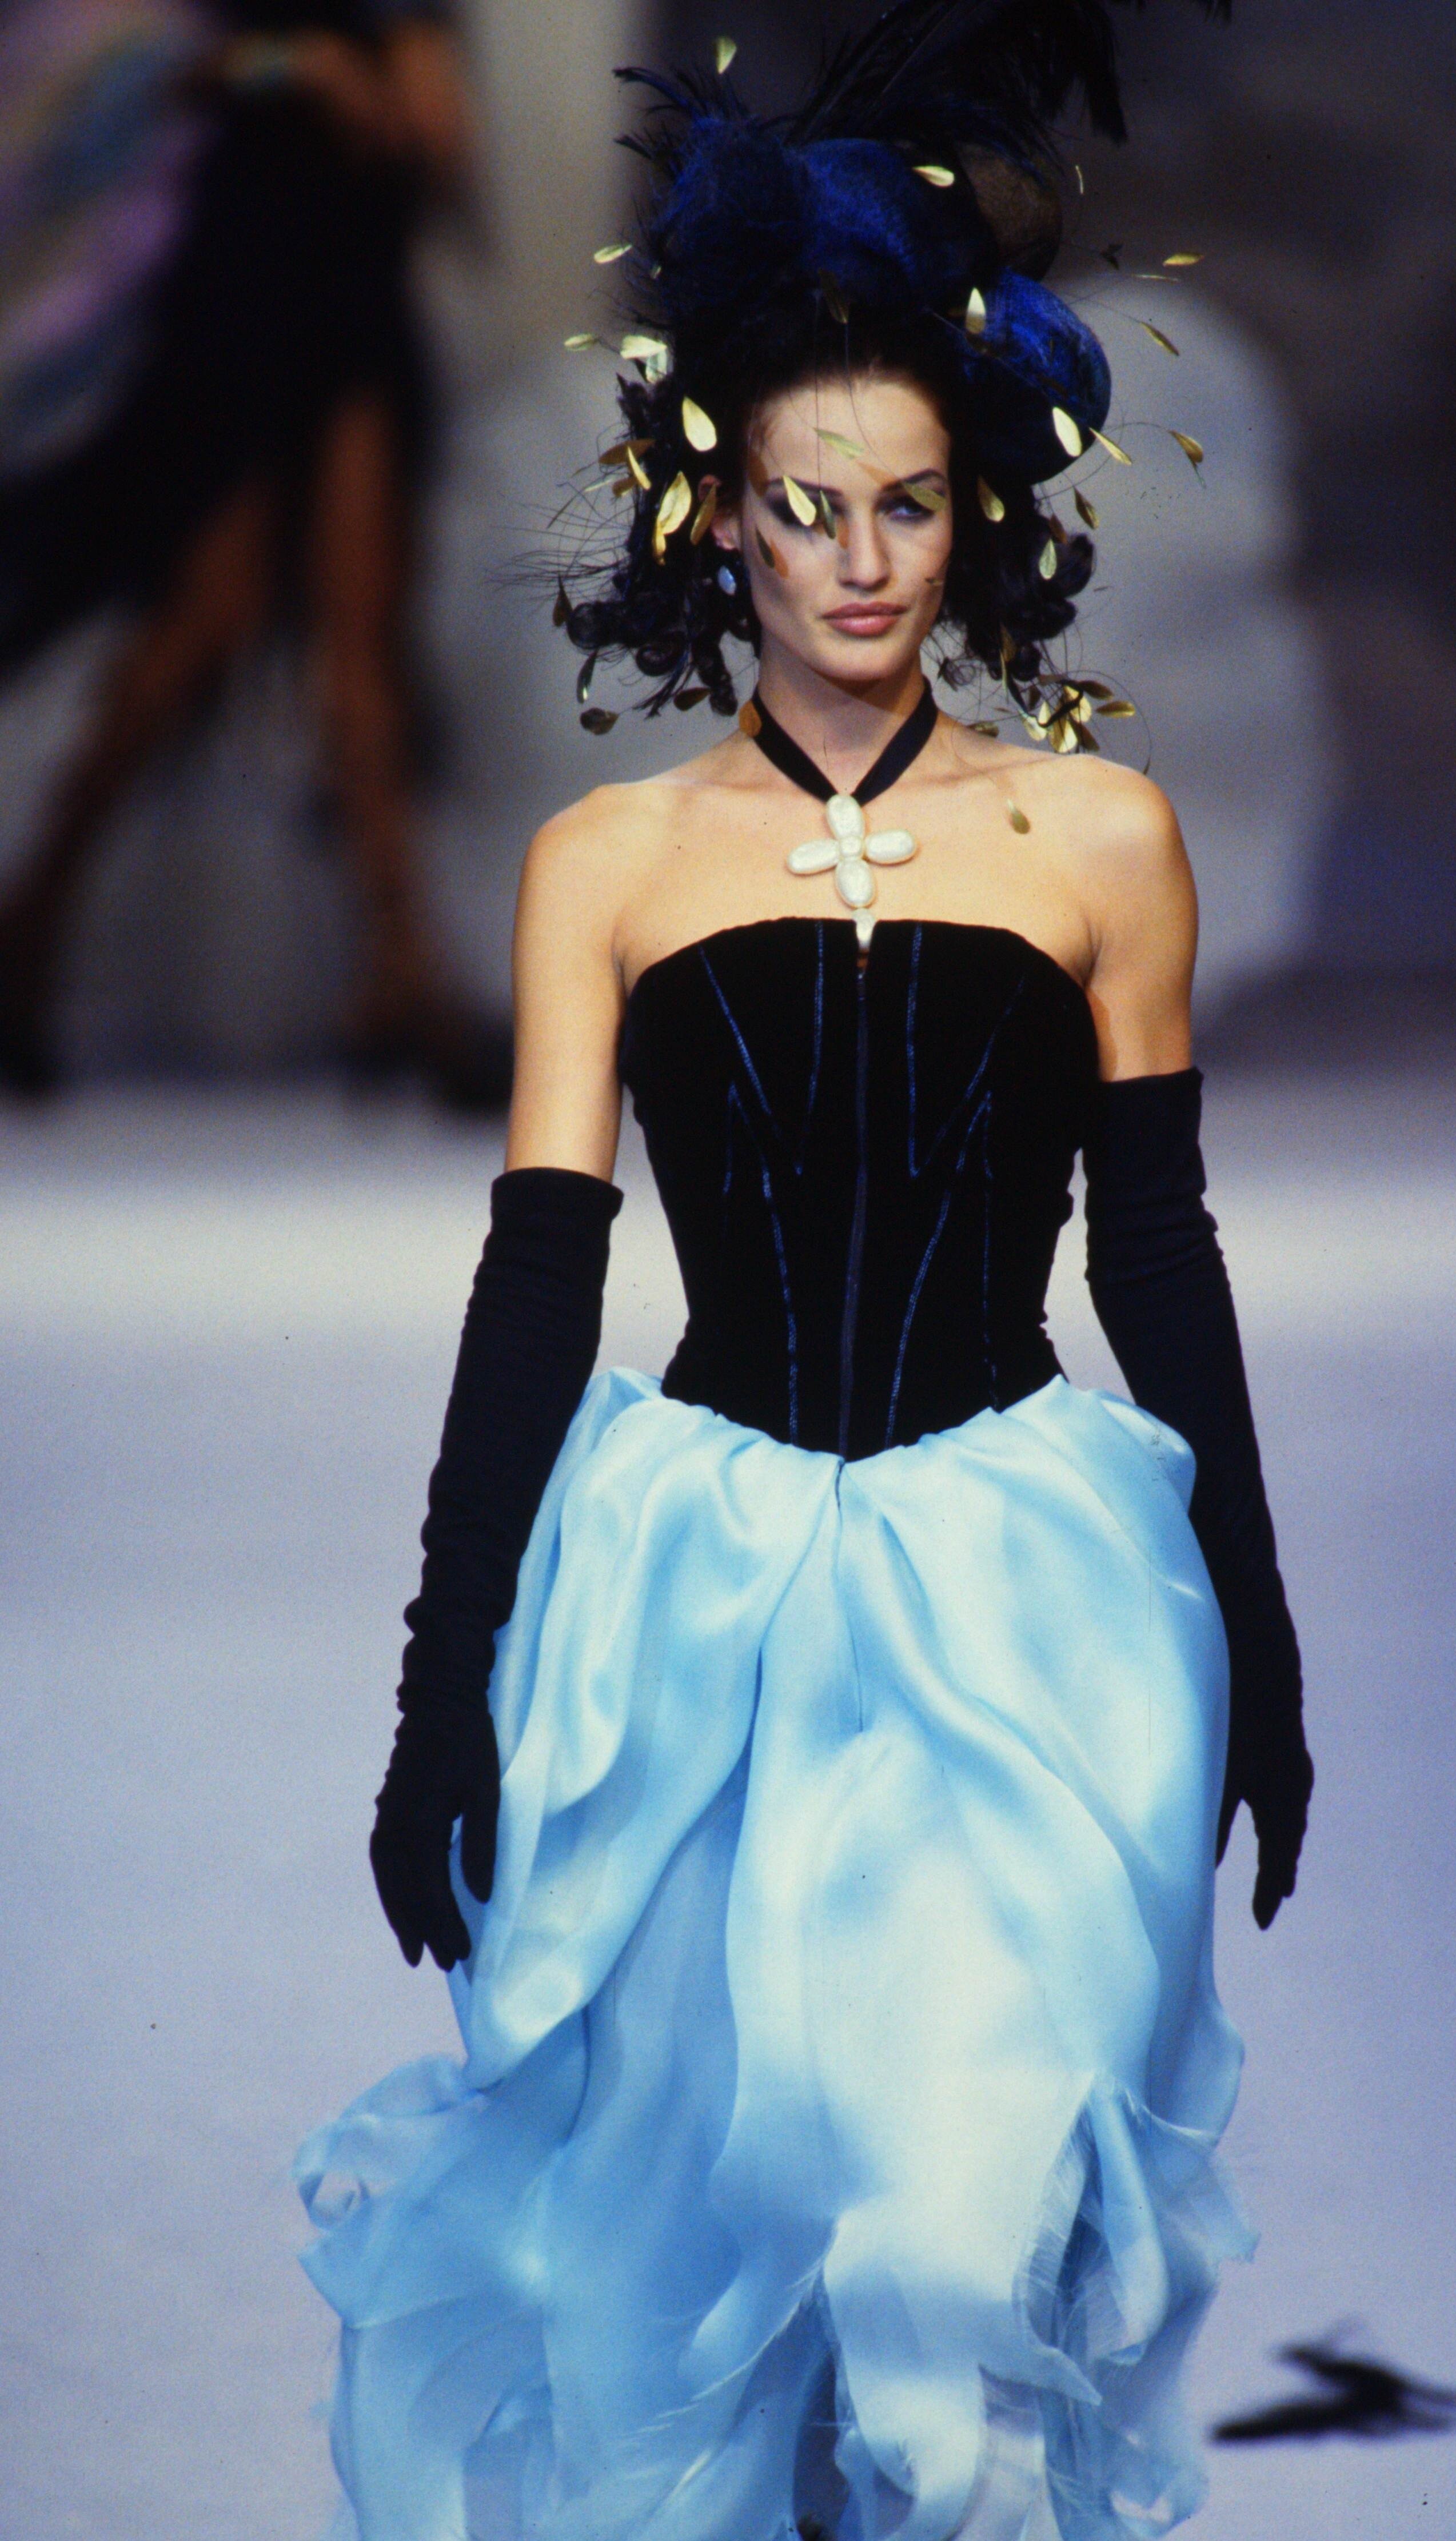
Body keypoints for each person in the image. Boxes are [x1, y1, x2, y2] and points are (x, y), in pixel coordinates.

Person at [295, 6, 1313, 2535]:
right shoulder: (609, 870)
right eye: (806, 505)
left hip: (1032, 1590)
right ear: (716, 521)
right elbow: (539, 1284)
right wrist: (442, 1684)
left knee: (958, 2255)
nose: (862, 559)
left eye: (908, 505)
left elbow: (1158, 1251)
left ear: (979, 518)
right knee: (700, 2267)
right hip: (693, 1604)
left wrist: (1262, 1631)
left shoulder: (1102, 840)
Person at [0, 0, 508, 1107]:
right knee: (206, 620)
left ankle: (400, 966)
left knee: (360, 630)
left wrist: (419, 90)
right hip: (251, 275)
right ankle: (30, 930)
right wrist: (304, 63)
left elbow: (434, 117)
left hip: (355, 264)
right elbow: (157, 60)